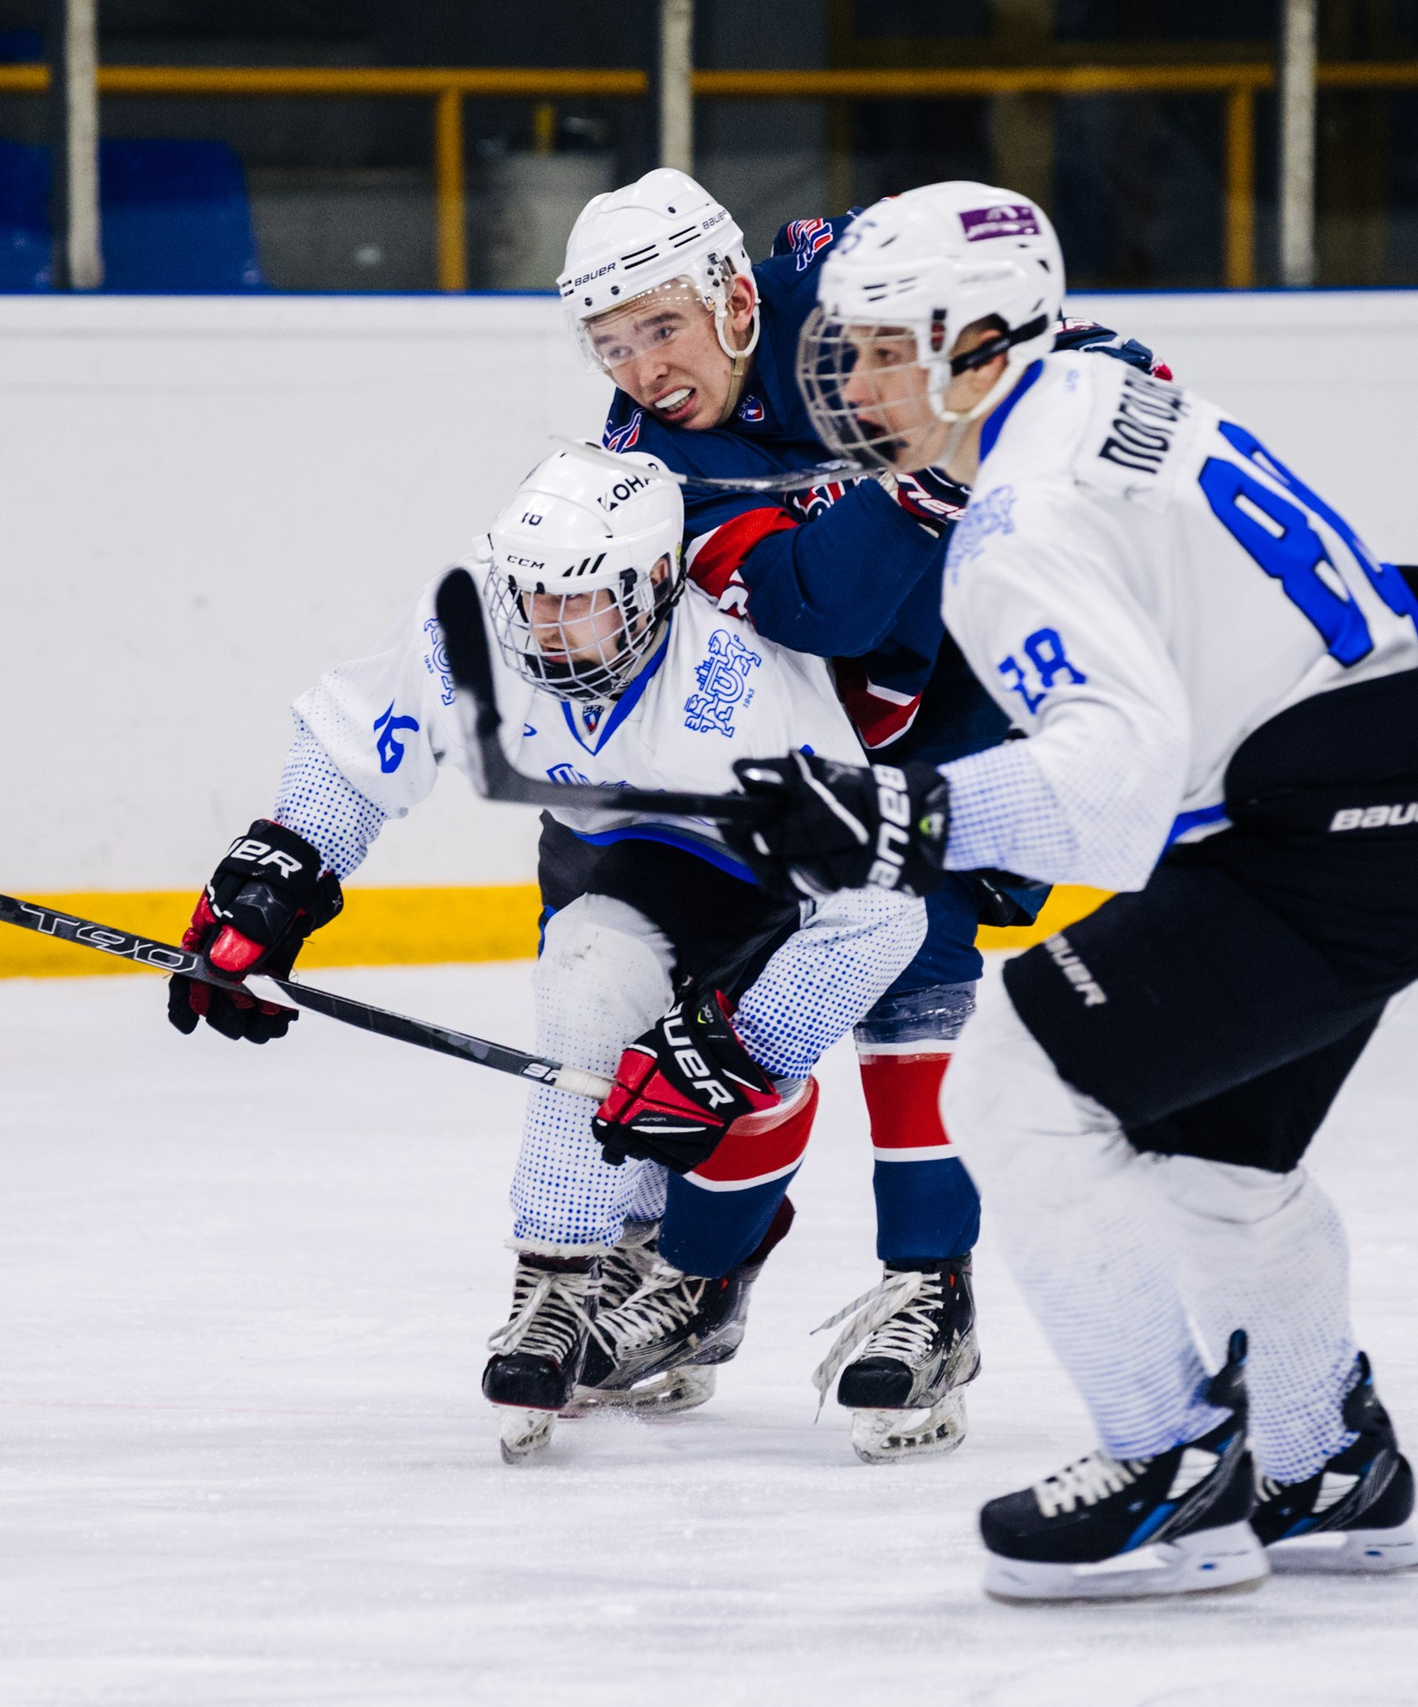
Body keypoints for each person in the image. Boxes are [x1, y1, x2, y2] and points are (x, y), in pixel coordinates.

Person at [723, 181, 1418, 1599]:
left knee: (1010, 1086)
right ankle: (1320, 1460)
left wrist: (901, 808)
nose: (844, 380)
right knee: (1219, 1165)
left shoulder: (1018, 519)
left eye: (876, 346)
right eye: (840, 346)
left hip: (1326, 844)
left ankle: (1170, 1471)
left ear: (979, 344)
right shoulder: (1096, 389)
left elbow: (1113, 773)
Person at [555, 167, 1170, 1462]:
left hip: (965, 700)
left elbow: (1068, 349)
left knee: (916, 951)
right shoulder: (655, 460)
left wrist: (1078, 371)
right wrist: (933, 472)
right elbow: (811, 610)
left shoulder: (854, 290)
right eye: (609, 344)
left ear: (735, 295)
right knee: (737, 1007)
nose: (642, 367)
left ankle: (928, 1289)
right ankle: (703, 1273)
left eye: (661, 326)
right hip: (815, 723)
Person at [165, 443, 925, 1464]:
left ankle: (703, 1271)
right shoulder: (482, 616)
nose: (544, 627)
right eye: (529, 598)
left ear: (657, 583)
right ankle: (557, 1285)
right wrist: (278, 873)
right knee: (586, 982)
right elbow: (360, 744)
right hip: (609, 857)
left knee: (719, 1098)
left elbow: (879, 905)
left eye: (579, 602)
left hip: (763, 883)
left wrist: (739, 1042)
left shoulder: (738, 667)